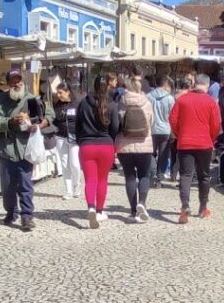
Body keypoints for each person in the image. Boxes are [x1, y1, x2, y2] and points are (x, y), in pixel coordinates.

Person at [0, 69, 54, 231]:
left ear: (23, 81)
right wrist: (10, 122)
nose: (16, 83)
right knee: (7, 186)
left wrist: (40, 124)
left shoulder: (33, 99)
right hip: (5, 149)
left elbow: (50, 114)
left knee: (25, 184)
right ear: (8, 83)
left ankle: (27, 215)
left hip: (26, 148)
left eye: (18, 80)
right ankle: (11, 211)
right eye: (13, 80)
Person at [169, 73, 222, 224]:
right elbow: (216, 125)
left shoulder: (182, 100)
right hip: (205, 143)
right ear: (207, 85)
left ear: (194, 84)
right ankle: (202, 207)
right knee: (204, 176)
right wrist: (210, 138)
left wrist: (180, 133)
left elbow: (172, 120)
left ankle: (185, 206)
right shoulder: (211, 102)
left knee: (185, 175)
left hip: (185, 142)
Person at [75, 74, 121, 229]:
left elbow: (77, 126)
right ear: (107, 86)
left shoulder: (83, 103)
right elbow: (115, 127)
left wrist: (81, 141)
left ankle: (91, 208)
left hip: (87, 145)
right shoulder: (112, 105)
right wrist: (110, 140)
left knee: (90, 180)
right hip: (106, 145)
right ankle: (100, 211)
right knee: (102, 180)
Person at [115, 72, 154, 222]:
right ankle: (142, 203)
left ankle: (133, 210)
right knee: (144, 175)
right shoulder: (147, 102)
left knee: (130, 177)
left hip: (124, 146)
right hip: (144, 144)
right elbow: (151, 123)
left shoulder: (121, 102)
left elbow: (117, 124)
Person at [53, 82, 82, 200]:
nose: (58, 95)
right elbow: (54, 120)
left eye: (61, 92)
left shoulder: (76, 105)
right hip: (60, 136)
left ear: (68, 92)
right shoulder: (56, 106)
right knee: (64, 164)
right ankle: (69, 190)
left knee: (74, 164)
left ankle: (77, 185)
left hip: (74, 137)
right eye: (57, 93)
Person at [148, 75, 176, 186]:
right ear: (165, 84)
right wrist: (173, 132)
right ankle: (159, 177)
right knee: (164, 155)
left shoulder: (148, 97)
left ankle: (153, 173)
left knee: (150, 152)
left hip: (151, 129)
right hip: (166, 130)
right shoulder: (170, 98)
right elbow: (173, 116)